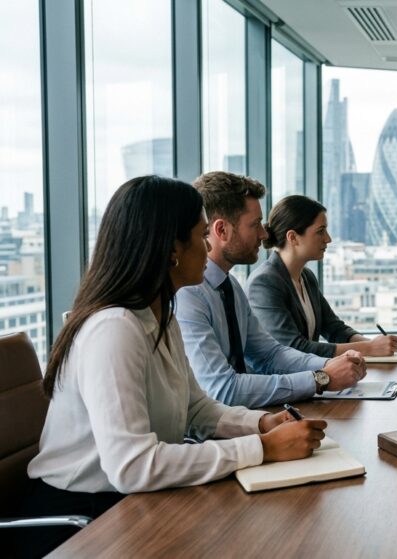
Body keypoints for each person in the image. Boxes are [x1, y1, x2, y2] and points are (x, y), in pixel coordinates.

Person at [20, 176, 327, 557]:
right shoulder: (114, 329)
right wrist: (260, 448)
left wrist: (260, 423)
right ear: (172, 250)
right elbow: (133, 466)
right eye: (201, 236)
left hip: (131, 503)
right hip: (82, 524)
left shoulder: (159, 313)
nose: (207, 247)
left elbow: (194, 408)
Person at [176, 172, 365, 408]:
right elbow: (222, 390)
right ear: (222, 230)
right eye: (255, 224)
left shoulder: (230, 286)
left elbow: (270, 354)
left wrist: (327, 367)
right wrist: (320, 378)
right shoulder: (188, 295)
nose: (264, 234)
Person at [247, 195, 397, 358]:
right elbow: (293, 348)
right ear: (292, 237)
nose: (328, 239)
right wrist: (368, 348)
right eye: (320, 231)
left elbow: (334, 329)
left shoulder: (306, 276)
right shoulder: (264, 283)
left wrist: (375, 346)